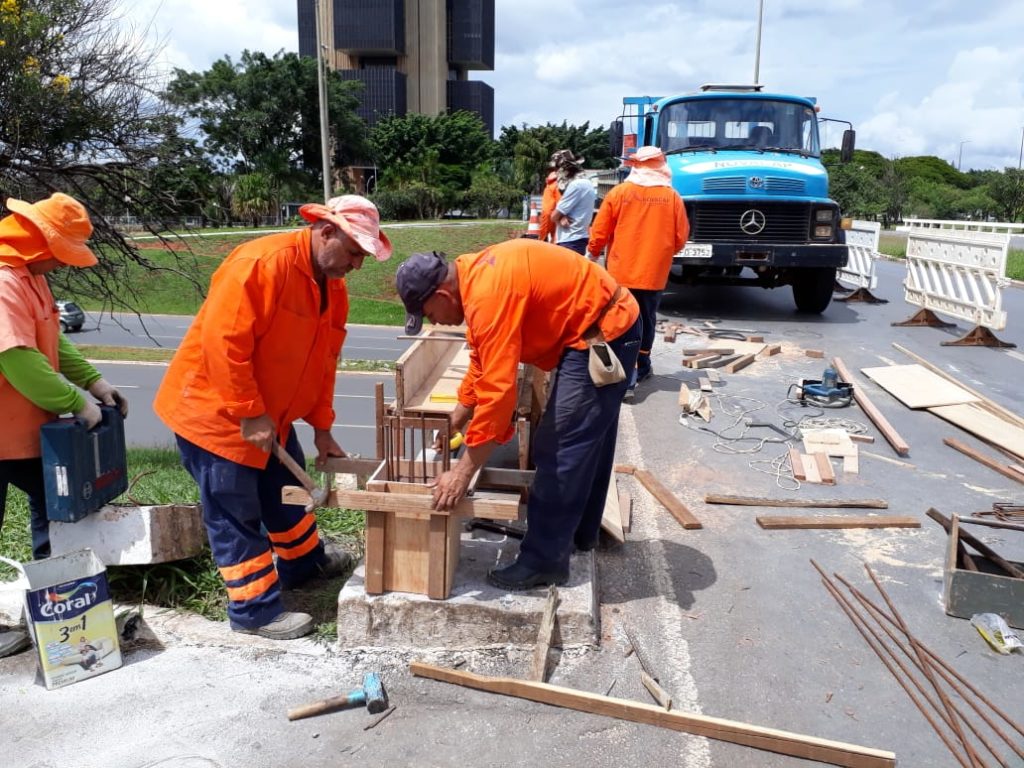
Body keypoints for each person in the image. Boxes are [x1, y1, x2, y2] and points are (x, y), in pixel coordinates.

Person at [154, 195, 392, 640]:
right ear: (327, 232)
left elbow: (326, 360)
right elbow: (223, 344)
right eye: (355, 253)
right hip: (218, 417)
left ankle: (304, 564)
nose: (357, 266)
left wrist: (322, 427)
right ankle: (255, 611)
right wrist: (249, 413)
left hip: (269, 419)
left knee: (286, 495)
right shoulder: (261, 263)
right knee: (235, 513)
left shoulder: (332, 287)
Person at [395, 241, 640, 590]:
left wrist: (464, 471)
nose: (436, 322)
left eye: (430, 315)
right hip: (599, 324)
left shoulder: (487, 296)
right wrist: (457, 418)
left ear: (442, 295)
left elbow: (498, 393)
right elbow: (482, 362)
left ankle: (544, 561)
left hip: (604, 331)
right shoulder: (474, 276)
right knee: (586, 439)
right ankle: (580, 536)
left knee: (559, 449)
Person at [0, 193, 129, 659]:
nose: (61, 264)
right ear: (39, 244)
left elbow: (49, 342)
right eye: (59, 253)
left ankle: (60, 610)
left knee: (56, 516)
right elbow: (18, 361)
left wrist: (94, 382)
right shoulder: (4, 282)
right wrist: (76, 400)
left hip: (21, 434)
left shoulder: (29, 279)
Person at [587, 146, 689, 397]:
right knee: (646, 319)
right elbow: (680, 238)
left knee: (620, 320)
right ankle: (640, 367)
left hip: (621, 272)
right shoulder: (672, 197)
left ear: (636, 166)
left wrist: (592, 252)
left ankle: (620, 371)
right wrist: (660, 253)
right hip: (653, 273)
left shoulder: (620, 193)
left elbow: (600, 230)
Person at [550, 149, 596, 254]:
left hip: (570, 241)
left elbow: (553, 216)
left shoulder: (576, 186)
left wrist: (558, 217)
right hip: (579, 239)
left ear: (564, 170)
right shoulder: (587, 183)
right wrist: (561, 217)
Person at [536, 170, 561, 243]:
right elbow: (560, 201)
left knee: (542, 237)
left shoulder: (551, 186)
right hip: (554, 214)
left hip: (547, 214)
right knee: (555, 236)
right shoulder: (555, 185)